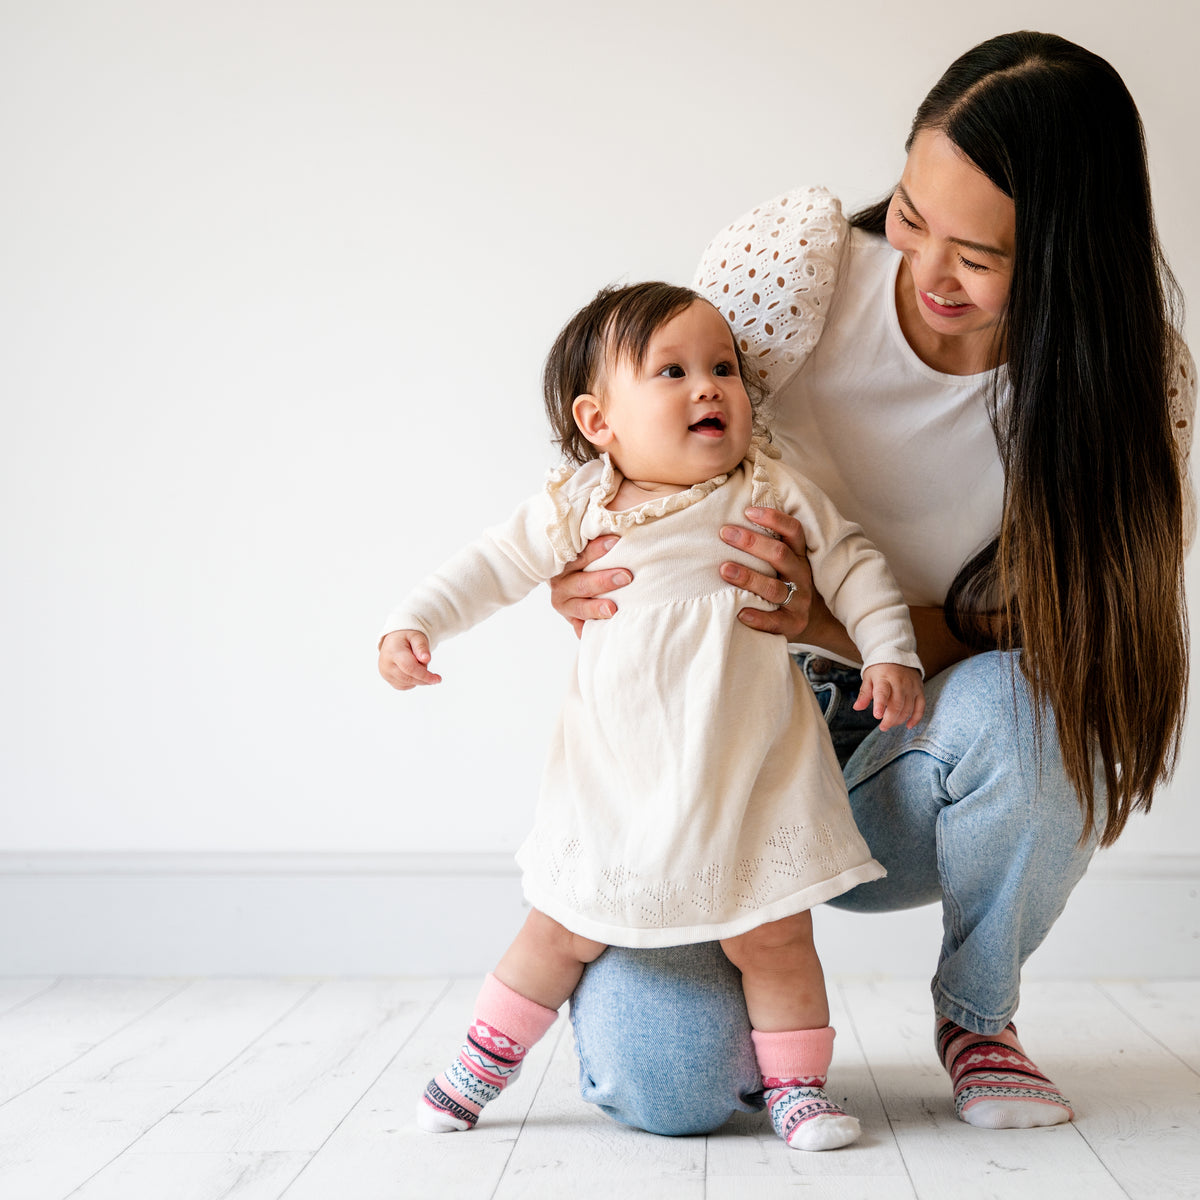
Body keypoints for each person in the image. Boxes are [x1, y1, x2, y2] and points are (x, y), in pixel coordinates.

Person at [553, 31, 1197, 1134]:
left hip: (900, 757)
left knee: (1038, 717)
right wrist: (581, 546)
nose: (925, 269)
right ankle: (743, 1000)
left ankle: (979, 1017)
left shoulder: (1131, 396)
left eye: (979, 256)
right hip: (709, 759)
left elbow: (1070, 641)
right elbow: (649, 416)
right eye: (910, 213)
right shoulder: (801, 268)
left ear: (1068, 257)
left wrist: (837, 626)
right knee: (670, 1089)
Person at [378, 281, 925, 1150]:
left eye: (723, 368)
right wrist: (416, 622)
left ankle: (796, 1088)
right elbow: (490, 563)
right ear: (600, 422)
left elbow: (853, 562)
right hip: (617, 781)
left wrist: (888, 648)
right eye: (671, 371)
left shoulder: (766, 489)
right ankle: (481, 1062)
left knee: (775, 935)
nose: (709, 386)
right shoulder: (579, 507)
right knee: (560, 926)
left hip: (749, 777)